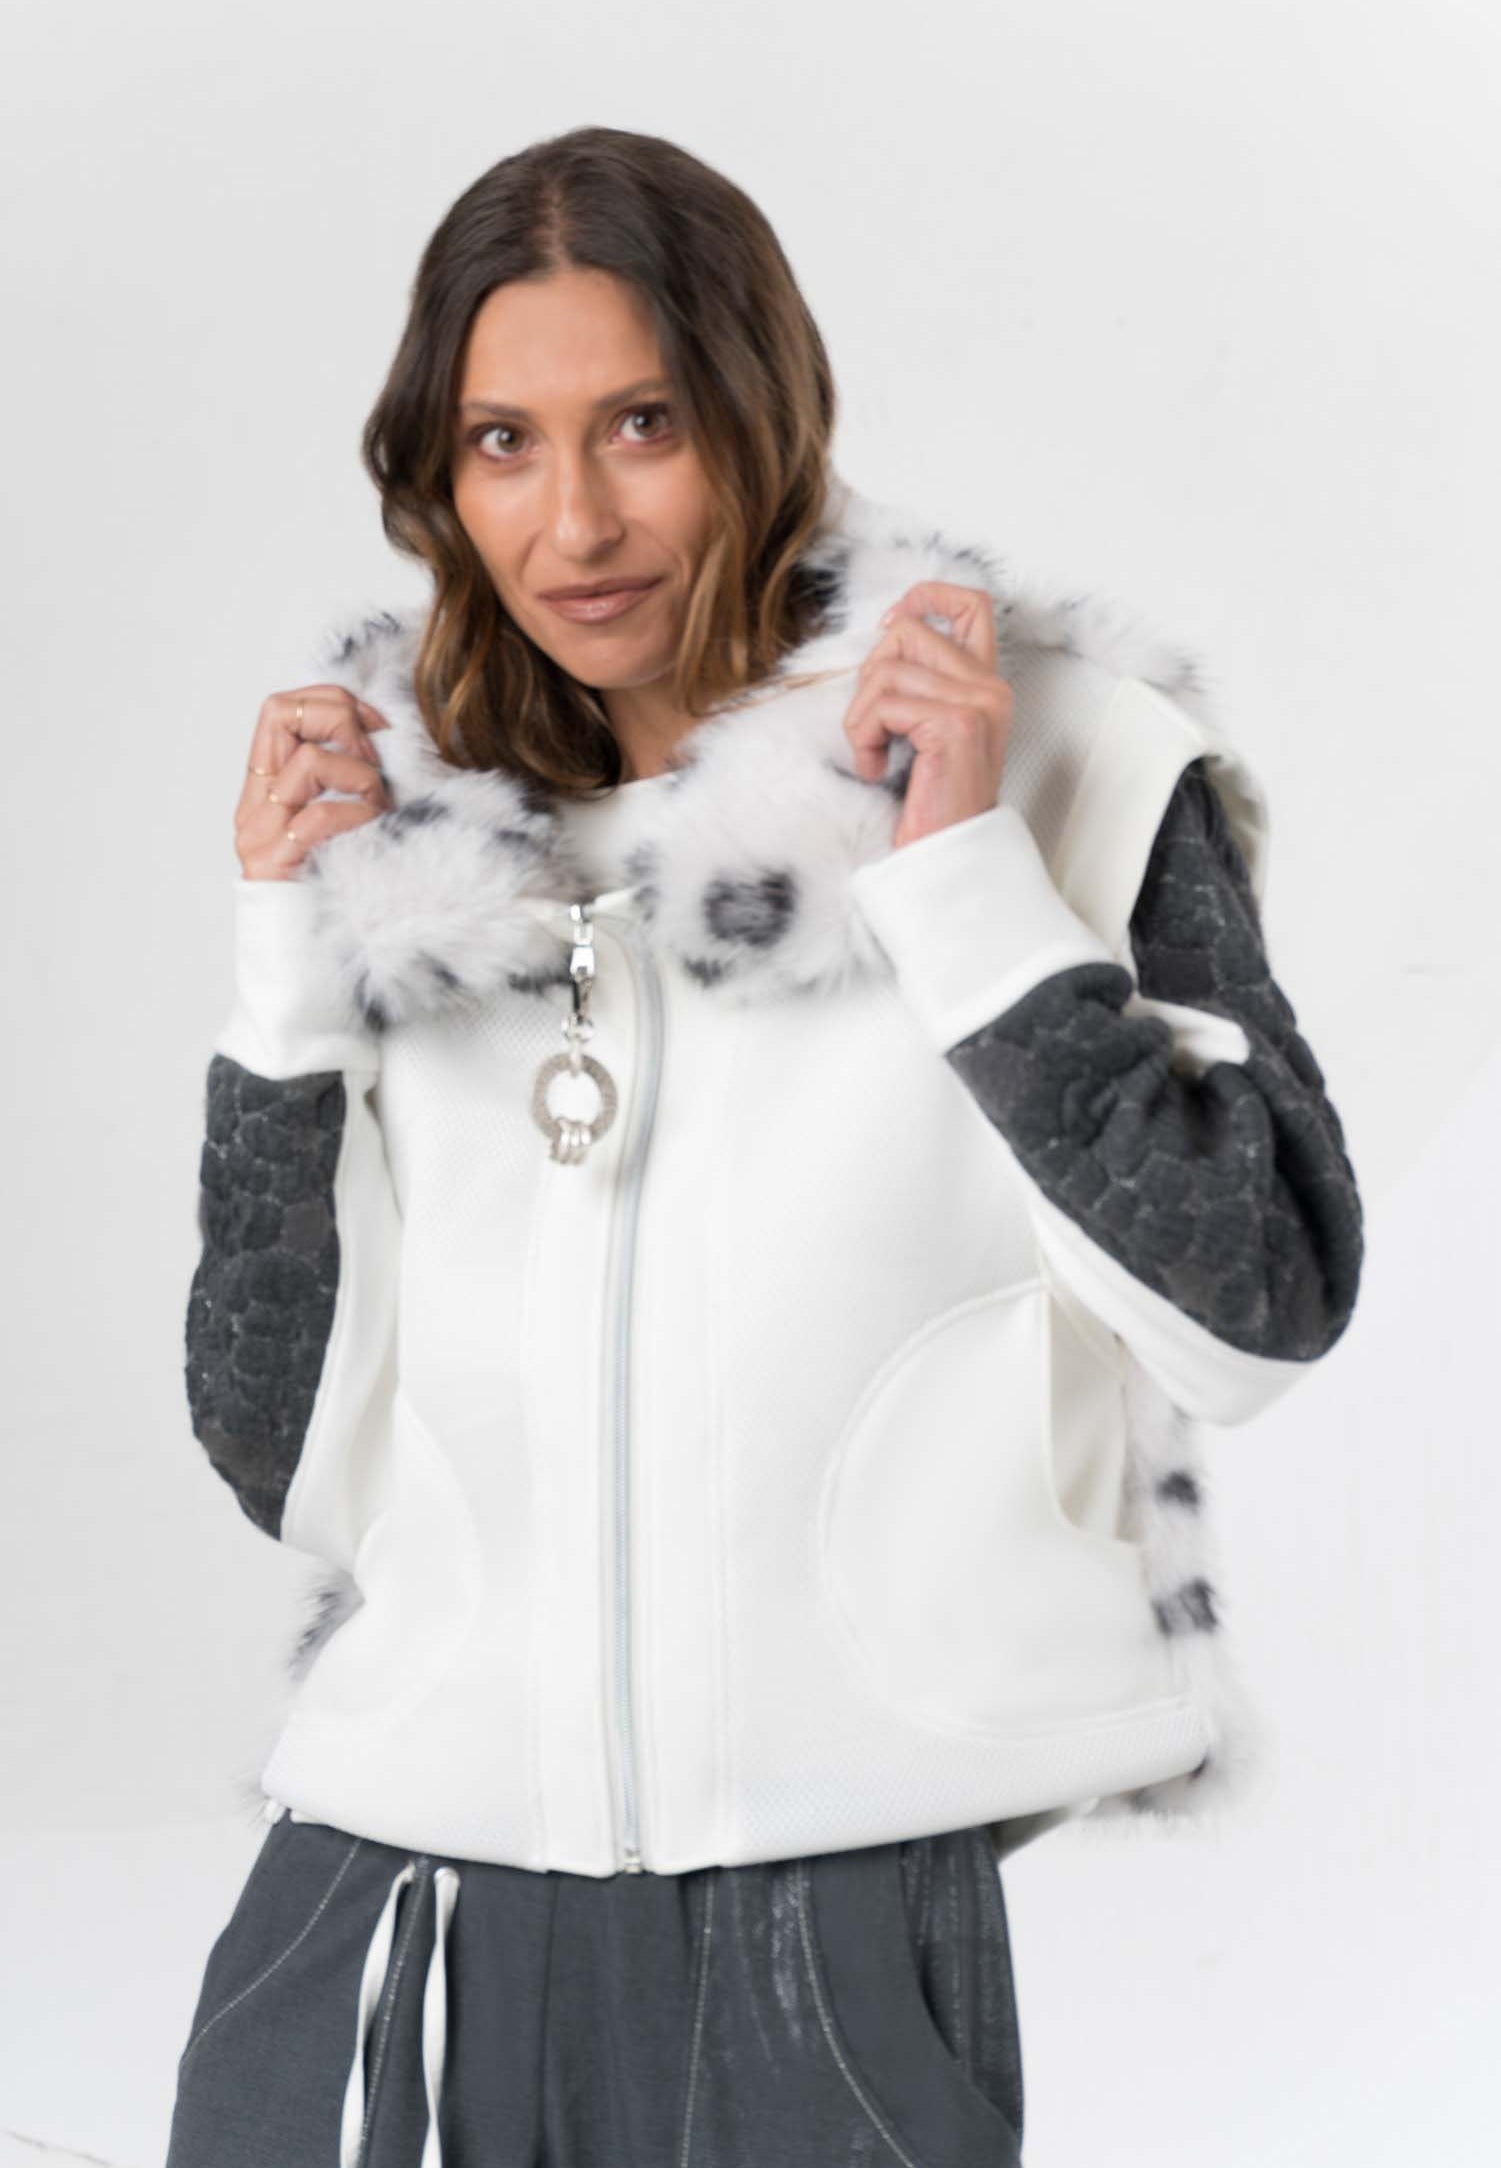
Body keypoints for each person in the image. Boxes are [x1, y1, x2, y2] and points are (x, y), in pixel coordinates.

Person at [165, 124, 1365, 2168]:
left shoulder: (1049, 751)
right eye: (502, 442)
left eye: (642, 423)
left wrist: (957, 881)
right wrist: (285, 979)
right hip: (383, 1906)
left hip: (823, 1928)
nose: (574, 521)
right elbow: (280, 1456)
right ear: (438, 475)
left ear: (763, 406)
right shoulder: (412, 842)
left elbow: (1257, 1307)